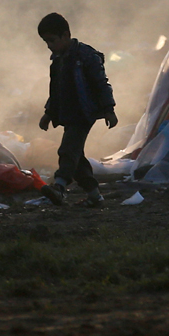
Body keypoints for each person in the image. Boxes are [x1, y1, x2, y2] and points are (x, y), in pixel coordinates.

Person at [37, 13, 117, 208]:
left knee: (67, 150)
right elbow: (56, 90)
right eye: (46, 42)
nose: (49, 45)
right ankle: (95, 196)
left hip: (84, 113)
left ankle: (59, 187)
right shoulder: (58, 60)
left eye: (52, 40)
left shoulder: (86, 56)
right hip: (69, 113)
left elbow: (101, 84)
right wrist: (49, 113)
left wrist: (109, 109)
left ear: (65, 35)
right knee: (76, 157)